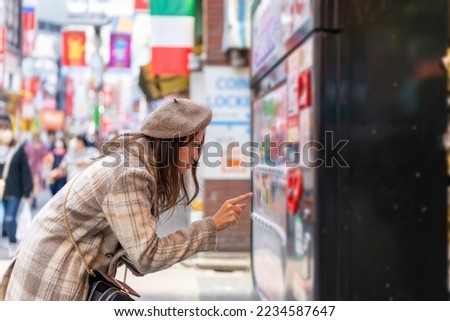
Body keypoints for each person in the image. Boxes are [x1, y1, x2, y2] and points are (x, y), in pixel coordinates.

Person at [0, 98, 252, 300]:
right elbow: (148, 257)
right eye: (195, 145)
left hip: (56, 264)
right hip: (53, 274)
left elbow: (138, 255)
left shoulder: (138, 163)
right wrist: (211, 226)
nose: (197, 156)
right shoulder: (131, 173)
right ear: (172, 143)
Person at [0, 115, 33, 258]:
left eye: (6, 127)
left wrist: (27, 192)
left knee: (9, 219)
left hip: (13, 191)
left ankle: (12, 243)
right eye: (1, 127)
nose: (3, 130)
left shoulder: (18, 149)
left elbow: (25, 170)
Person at [24, 132, 49, 209]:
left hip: (33, 167)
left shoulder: (29, 146)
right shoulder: (42, 146)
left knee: (35, 183)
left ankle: (33, 197)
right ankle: (33, 197)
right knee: (35, 183)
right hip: (35, 167)